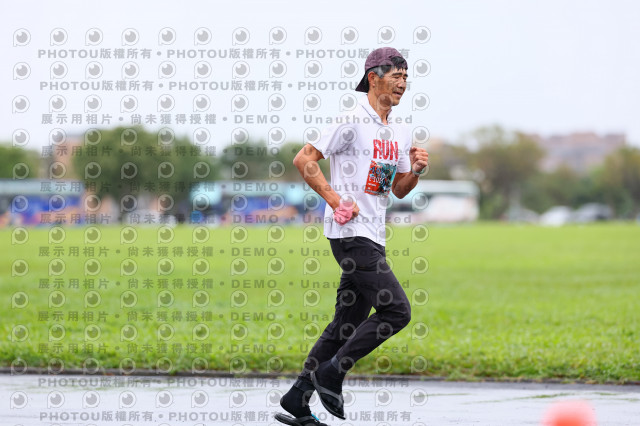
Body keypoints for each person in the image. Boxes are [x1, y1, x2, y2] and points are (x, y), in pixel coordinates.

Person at [274, 47, 429, 426]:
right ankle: (332, 372)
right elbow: (304, 160)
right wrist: (335, 200)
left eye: (406, 77)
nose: (403, 84)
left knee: (345, 324)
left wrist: (416, 171)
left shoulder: (400, 130)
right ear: (373, 78)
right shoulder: (351, 121)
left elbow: (398, 190)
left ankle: (297, 397)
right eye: (396, 76)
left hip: (374, 235)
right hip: (349, 233)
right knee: (397, 311)